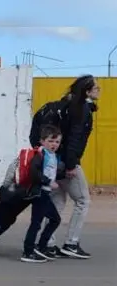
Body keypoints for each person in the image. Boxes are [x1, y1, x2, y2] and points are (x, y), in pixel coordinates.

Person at [43, 74, 99, 260]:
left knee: (57, 202)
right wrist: (71, 164)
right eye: (96, 87)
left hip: (54, 160)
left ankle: (47, 243)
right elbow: (74, 139)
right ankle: (71, 243)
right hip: (67, 162)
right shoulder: (80, 109)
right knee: (83, 200)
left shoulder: (67, 105)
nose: (99, 90)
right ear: (87, 91)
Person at [20, 125, 63, 263]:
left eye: (57, 142)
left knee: (55, 220)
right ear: (42, 141)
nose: (54, 144)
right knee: (36, 223)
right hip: (39, 193)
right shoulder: (41, 154)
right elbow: (34, 172)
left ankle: (41, 247)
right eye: (51, 141)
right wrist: (48, 181)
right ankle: (28, 251)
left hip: (45, 194)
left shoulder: (52, 156)